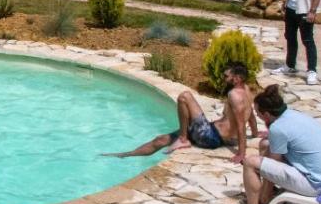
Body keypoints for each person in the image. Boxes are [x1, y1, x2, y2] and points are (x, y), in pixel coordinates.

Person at [228, 84, 321, 204]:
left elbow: (274, 163)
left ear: (266, 115)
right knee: (265, 144)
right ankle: (265, 197)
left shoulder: (278, 128)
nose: (256, 115)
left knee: (250, 163)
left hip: (316, 186)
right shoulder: (293, 115)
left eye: (257, 113)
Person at [105, 62, 257, 157]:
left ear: (237, 78)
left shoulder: (234, 95)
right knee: (161, 139)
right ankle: (126, 155)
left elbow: (241, 126)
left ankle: (183, 139)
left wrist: (241, 153)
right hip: (210, 132)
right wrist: (256, 133)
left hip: (210, 137)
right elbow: (250, 116)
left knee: (184, 96)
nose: (224, 78)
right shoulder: (247, 91)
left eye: (226, 76)